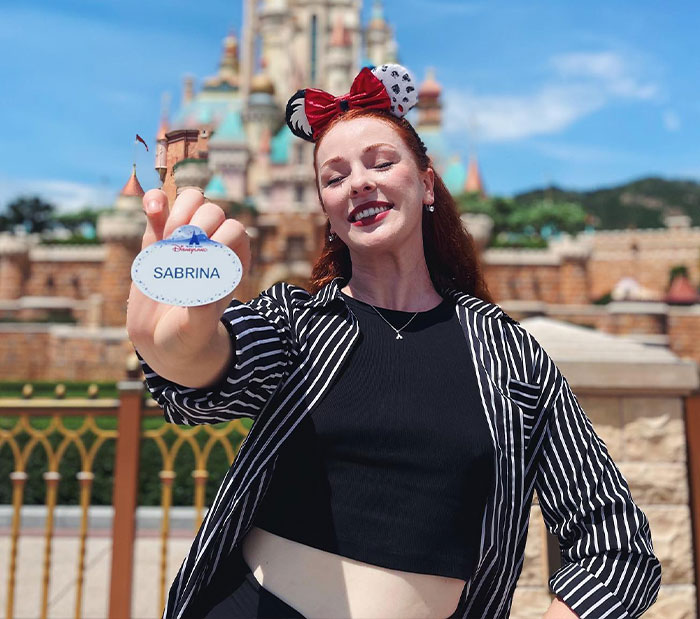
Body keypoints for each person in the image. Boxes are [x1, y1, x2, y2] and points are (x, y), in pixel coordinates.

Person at [128, 64, 662, 619]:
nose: (358, 182)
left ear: (427, 182)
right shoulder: (301, 324)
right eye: (334, 177)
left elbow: (617, 546)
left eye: (382, 163)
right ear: (328, 214)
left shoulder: (511, 359)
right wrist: (176, 346)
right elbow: (220, 366)